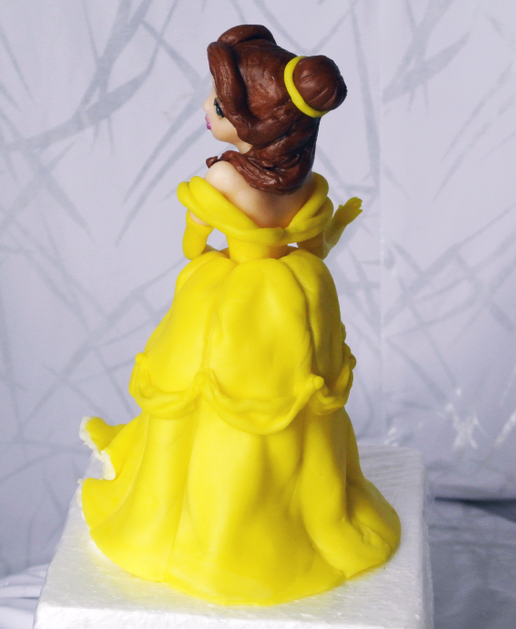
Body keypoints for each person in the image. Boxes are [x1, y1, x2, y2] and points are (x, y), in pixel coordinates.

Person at [79, 24, 400, 606]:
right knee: (289, 399)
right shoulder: (304, 182)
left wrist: (211, 239)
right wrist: (333, 227)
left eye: (221, 106)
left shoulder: (223, 177)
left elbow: (193, 247)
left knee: (208, 388)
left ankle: (206, 521)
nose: (207, 110)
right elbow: (314, 248)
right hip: (294, 297)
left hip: (229, 298)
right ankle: (285, 509)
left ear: (261, 124)